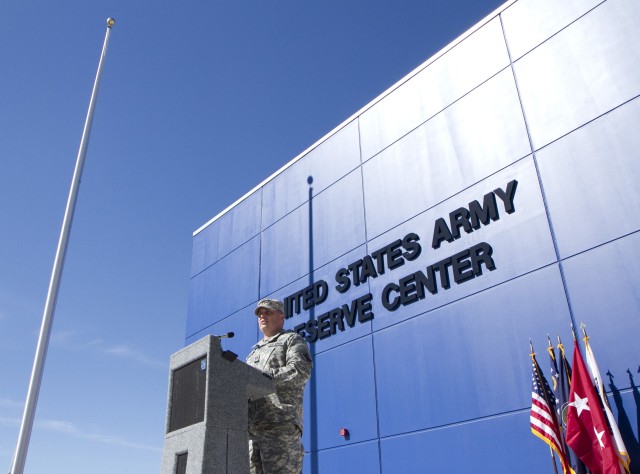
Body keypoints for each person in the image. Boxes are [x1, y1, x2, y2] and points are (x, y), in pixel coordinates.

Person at [246, 298, 313, 474]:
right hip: (252, 433)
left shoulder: (291, 340)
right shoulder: (253, 352)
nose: (262, 316)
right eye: (260, 313)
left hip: (280, 428)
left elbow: (300, 370)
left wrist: (264, 377)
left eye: (268, 312)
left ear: (281, 316)